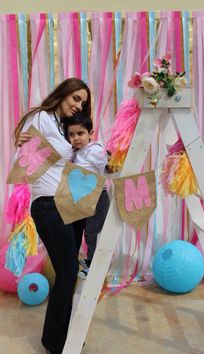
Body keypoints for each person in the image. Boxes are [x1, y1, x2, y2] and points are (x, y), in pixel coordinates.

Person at [14, 78, 91, 354]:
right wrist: (21, 144)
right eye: (75, 98)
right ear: (63, 94)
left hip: (71, 201)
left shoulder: (67, 127)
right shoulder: (41, 118)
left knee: (70, 272)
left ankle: (64, 334)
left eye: (82, 101)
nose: (78, 105)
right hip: (48, 203)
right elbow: (21, 165)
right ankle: (55, 343)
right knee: (67, 273)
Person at [62, 112, 110, 279]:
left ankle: (94, 264)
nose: (76, 138)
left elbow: (109, 168)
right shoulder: (75, 152)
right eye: (71, 134)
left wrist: (110, 160)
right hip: (82, 197)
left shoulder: (94, 150)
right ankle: (90, 260)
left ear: (90, 134)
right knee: (83, 231)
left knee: (91, 232)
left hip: (98, 197)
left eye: (80, 133)